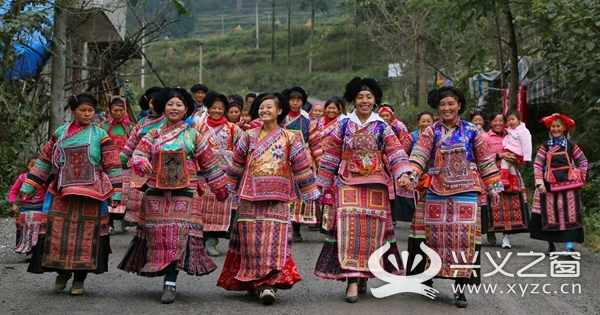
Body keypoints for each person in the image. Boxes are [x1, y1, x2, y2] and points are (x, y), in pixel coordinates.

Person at [118, 87, 228, 304]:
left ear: (186, 109)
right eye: (170, 104)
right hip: (155, 194)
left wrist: (221, 190)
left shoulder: (194, 134)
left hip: (185, 193)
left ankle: (170, 281)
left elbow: (209, 164)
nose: (174, 108)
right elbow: (138, 154)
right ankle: (161, 271)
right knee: (159, 236)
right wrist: (142, 162)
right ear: (163, 108)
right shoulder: (152, 133)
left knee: (179, 235)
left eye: (179, 104)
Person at [314, 77, 411, 304]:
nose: (364, 101)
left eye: (368, 97)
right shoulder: (344, 124)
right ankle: (351, 280)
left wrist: (404, 174)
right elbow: (331, 154)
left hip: (376, 185)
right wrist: (320, 184)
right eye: (360, 97)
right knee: (349, 232)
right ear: (353, 100)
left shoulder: (382, 126)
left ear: (375, 100)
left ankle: (365, 274)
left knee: (371, 235)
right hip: (347, 183)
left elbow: (395, 151)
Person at [404, 86, 502, 308]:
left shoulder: (472, 131)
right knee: (432, 239)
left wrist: (494, 187)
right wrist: (411, 174)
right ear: (437, 108)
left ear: (459, 105)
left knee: (463, 242)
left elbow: (486, 160)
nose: (446, 108)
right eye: (442, 104)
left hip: (466, 193)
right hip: (436, 191)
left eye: (451, 104)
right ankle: (427, 277)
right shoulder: (431, 131)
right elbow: (419, 154)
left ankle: (460, 288)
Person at [217, 93, 320, 305]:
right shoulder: (247, 136)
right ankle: (253, 281)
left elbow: (300, 165)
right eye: (261, 107)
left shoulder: (290, 137)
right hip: (249, 197)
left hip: (278, 198)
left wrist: (309, 191)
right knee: (251, 243)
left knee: (275, 242)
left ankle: (268, 284)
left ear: (279, 110)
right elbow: (236, 164)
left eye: (269, 107)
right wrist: (226, 187)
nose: (264, 110)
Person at [19, 92, 123, 295]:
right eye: (83, 110)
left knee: (87, 236)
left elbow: (113, 164)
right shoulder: (60, 133)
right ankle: (62, 273)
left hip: (92, 194)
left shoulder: (101, 135)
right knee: (60, 234)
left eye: (91, 110)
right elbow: (44, 160)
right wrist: (29, 187)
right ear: (73, 111)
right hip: (62, 192)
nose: (87, 114)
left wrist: (117, 193)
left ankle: (79, 279)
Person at [530, 113, 587, 253]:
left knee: (570, 215)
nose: (555, 129)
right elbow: (538, 164)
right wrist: (539, 183)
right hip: (549, 186)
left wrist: (580, 177)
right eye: (553, 126)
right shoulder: (545, 146)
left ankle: (569, 245)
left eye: (558, 126)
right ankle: (551, 244)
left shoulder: (571, 146)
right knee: (550, 215)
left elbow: (583, 161)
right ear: (550, 129)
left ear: (564, 128)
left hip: (569, 187)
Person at [196, 91, 242, 257]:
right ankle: (199, 241)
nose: (216, 111)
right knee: (201, 209)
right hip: (202, 176)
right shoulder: (198, 128)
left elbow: (243, 149)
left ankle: (213, 241)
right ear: (208, 108)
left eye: (220, 108)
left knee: (220, 209)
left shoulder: (233, 129)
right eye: (213, 108)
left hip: (225, 176)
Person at [482, 112, 529, 249]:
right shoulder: (485, 138)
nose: (498, 124)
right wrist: (500, 155)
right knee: (493, 206)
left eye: (501, 121)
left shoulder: (512, 135)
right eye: (495, 121)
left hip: (511, 174)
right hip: (492, 175)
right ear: (490, 123)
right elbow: (480, 156)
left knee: (510, 208)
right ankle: (491, 231)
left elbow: (520, 150)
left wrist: (517, 159)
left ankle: (506, 237)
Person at [120, 86, 165, 226]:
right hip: (141, 166)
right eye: (153, 102)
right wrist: (118, 162)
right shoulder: (141, 123)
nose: (156, 106)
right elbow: (131, 144)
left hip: (162, 167)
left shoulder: (169, 121)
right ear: (147, 102)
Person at [307, 96, 347, 231]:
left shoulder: (341, 124)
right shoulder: (315, 124)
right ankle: (314, 219)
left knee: (329, 193)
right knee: (315, 190)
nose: (331, 110)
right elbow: (312, 141)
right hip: (315, 159)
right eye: (329, 107)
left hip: (333, 162)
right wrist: (319, 158)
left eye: (334, 108)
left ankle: (326, 222)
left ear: (339, 109)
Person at [282, 86, 316, 242]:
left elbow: (315, 143)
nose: (295, 103)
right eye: (292, 100)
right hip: (280, 161)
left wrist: (319, 162)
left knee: (297, 195)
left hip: (301, 162)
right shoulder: (280, 119)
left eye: (298, 100)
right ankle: (283, 228)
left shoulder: (307, 122)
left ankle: (295, 229)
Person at [100, 96, 133, 234]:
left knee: (125, 193)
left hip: (125, 165)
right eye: (115, 110)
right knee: (109, 192)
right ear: (109, 110)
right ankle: (110, 222)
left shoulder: (129, 127)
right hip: (108, 166)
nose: (118, 113)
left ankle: (125, 218)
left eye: (121, 110)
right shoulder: (104, 126)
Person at [9, 155, 47, 258]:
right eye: (32, 165)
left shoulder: (45, 178)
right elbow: (14, 191)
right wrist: (13, 204)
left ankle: (38, 251)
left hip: (41, 208)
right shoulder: (22, 178)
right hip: (26, 208)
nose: (34, 168)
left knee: (40, 230)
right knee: (24, 228)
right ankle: (28, 251)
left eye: (37, 166)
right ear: (27, 166)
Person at [377, 105, 410, 225]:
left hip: (394, 158)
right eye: (383, 115)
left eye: (387, 115)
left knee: (395, 189)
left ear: (392, 115)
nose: (385, 117)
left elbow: (404, 143)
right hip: (380, 161)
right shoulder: (377, 125)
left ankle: (393, 215)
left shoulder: (399, 126)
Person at [500, 109, 532, 192]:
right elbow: (507, 139)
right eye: (508, 120)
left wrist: (527, 157)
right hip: (511, 150)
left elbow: (527, 144)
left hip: (516, 152)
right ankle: (513, 185)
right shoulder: (510, 130)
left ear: (519, 120)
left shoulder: (523, 131)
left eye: (513, 119)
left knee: (504, 162)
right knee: (512, 168)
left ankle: (504, 180)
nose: (511, 122)